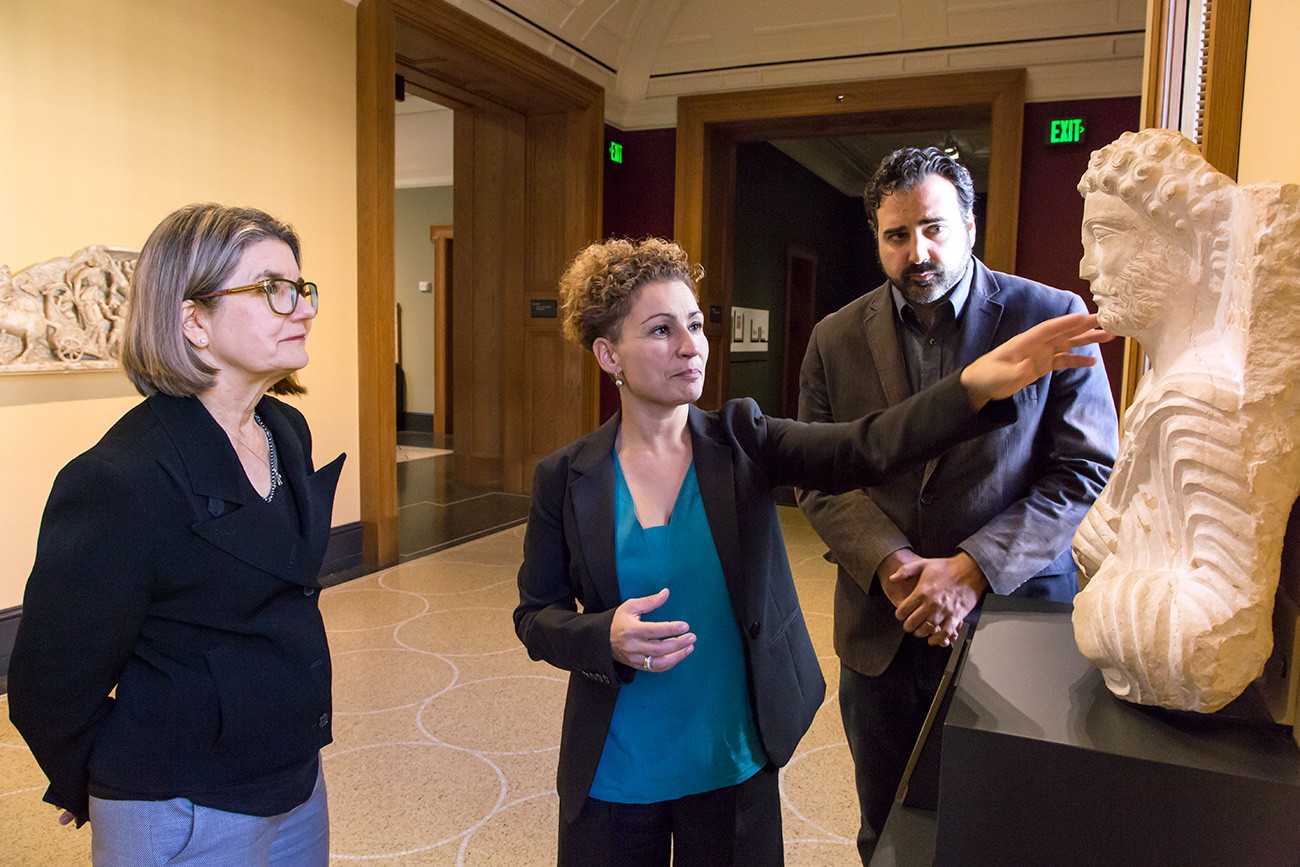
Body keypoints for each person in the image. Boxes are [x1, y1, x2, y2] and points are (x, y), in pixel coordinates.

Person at [513, 236, 1110, 866]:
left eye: (694, 324)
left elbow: (864, 446)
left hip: (732, 760)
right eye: (661, 331)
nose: (691, 346)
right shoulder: (566, 477)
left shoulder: (743, 439)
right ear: (609, 354)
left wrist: (971, 388)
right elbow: (537, 616)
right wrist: (602, 636)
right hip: (616, 768)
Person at [796, 147, 1118, 863]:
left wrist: (970, 568)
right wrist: (896, 567)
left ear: (970, 224)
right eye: (898, 235)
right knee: (886, 826)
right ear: (877, 238)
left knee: (1011, 824)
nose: (920, 252)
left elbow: (1085, 465)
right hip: (885, 622)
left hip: (1015, 613)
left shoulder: (1050, 316)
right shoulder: (833, 338)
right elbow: (819, 476)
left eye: (935, 228)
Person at [8, 203, 345, 867]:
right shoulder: (120, 478)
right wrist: (122, 784)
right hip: (185, 801)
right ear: (193, 320)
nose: (302, 308)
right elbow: (48, 685)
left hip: (295, 778)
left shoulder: (285, 430)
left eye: (301, 288)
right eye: (272, 290)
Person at [1072, 129, 1300, 713]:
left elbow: (1222, 615)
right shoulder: (1162, 380)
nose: (1085, 265)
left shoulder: (1200, 401)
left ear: (1190, 247)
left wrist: (1100, 608)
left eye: (1105, 236)